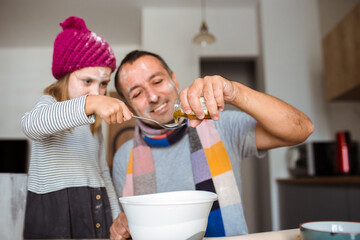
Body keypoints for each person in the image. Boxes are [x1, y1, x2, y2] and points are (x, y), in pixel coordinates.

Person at [109, 50, 314, 239]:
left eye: (157, 81)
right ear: (129, 105)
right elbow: (128, 223)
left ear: (174, 79)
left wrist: (235, 92)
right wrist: (122, 226)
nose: (153, 96)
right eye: (137, 94)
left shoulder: (220, 125)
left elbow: (302, 129)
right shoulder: (123, 158)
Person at [21, 16, 132, 239]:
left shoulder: (94, 124)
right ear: (65, 77)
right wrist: (90, 103)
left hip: (95, 207)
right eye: (87, 81)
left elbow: (102, 173)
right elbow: (31, 125)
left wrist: (117, 217)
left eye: (103, 84)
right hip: (55, 212)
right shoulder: (50, 104)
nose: (96, 92)